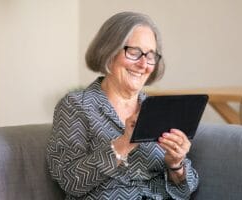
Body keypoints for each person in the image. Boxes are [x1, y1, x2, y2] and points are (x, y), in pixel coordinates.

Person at [46, 11, 199, 200]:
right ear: (109, 52)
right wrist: (123, 144)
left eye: (150, 56)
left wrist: (176, 164)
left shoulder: (155, 108)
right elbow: (69, 180)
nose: (144, 64)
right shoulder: (77, 106)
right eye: (134, 52)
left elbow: (187, 190)